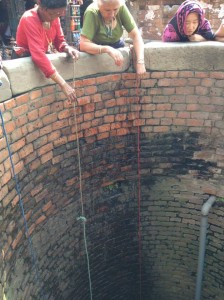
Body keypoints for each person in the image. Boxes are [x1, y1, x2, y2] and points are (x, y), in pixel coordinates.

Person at [14, 0, 79, 102]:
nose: (58, 17)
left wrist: (67, 48)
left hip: (42, 54)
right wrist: (63, 84)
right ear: (43, 9)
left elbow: (59, 41)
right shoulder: (29, 19)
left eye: (61, 13)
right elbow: (38, 55)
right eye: (56, 13)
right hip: (26, 58)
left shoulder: (54, 17)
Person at [80, 0, 146, 77]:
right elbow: (83, 44)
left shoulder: (121, 7)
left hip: (117, 44)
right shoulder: (92, 12)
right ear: (99, 5)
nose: (112, 14)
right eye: (107, 10)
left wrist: (140, 61)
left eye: (115, 9)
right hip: (95, 48)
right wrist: (107, 49)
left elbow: (136, 35)